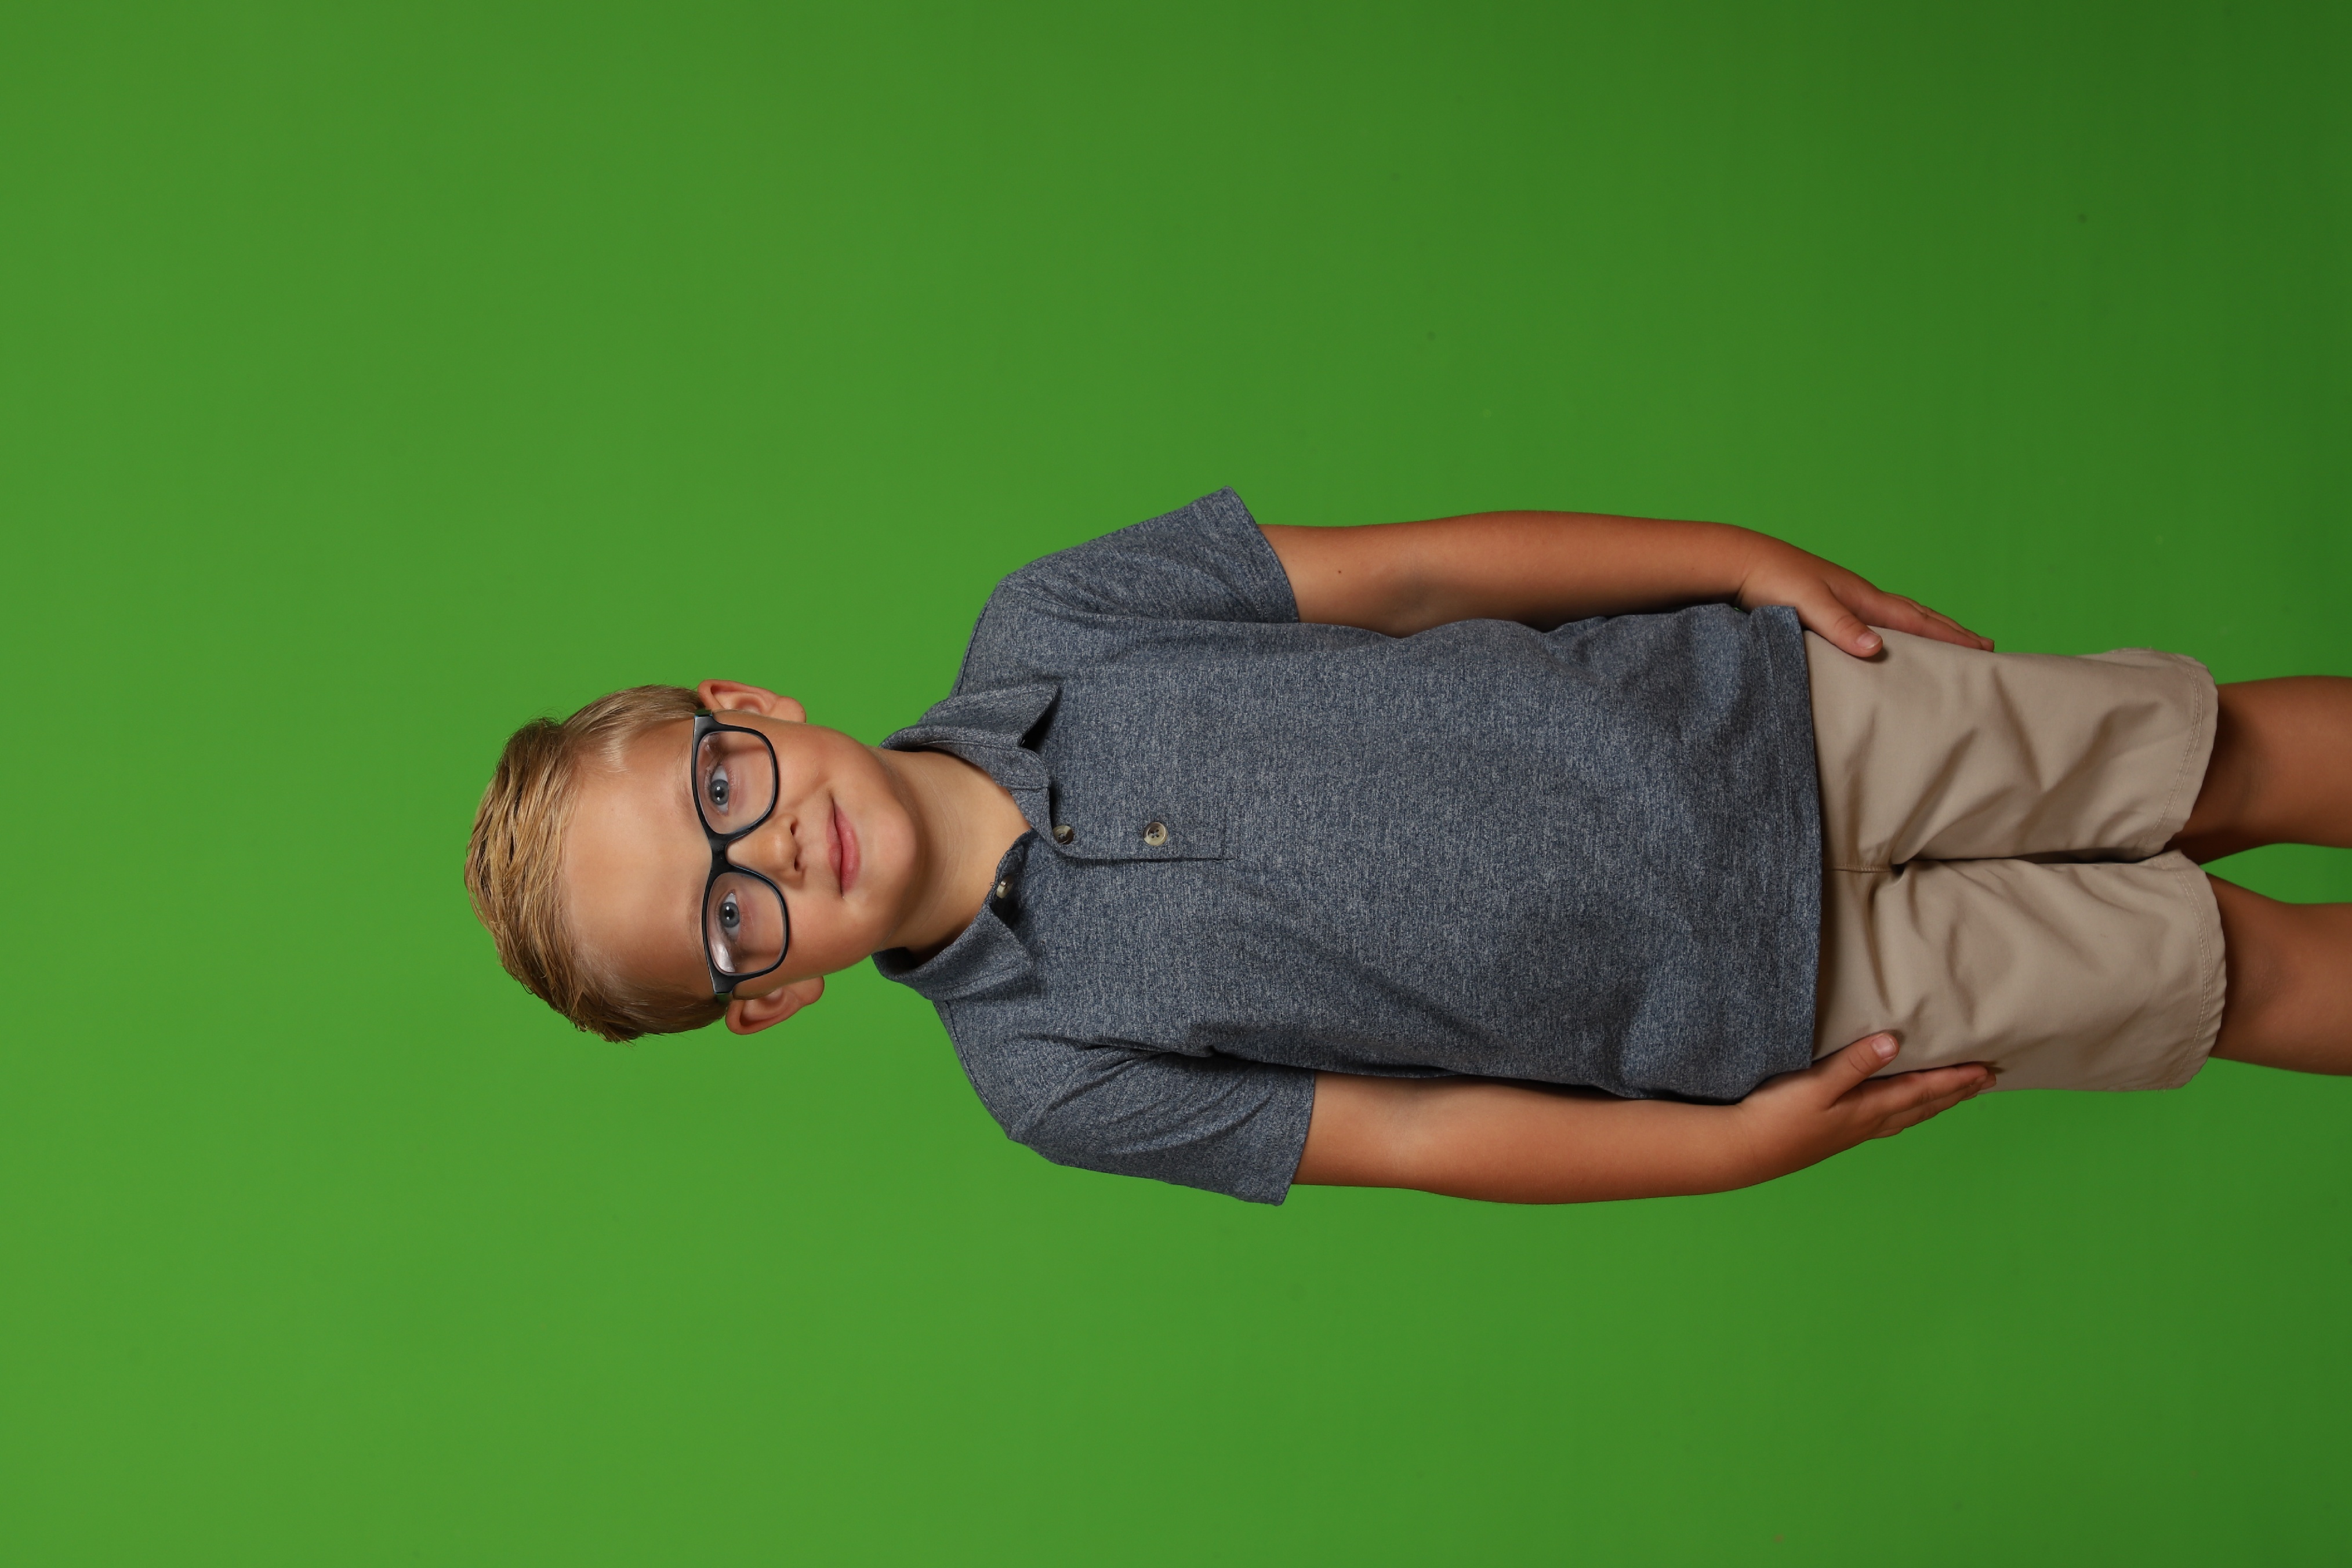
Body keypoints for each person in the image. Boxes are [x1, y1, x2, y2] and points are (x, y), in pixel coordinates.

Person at [465, 490, 2352, 1204]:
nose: (772, 854)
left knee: (2217, 758)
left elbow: (1425, 573)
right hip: (1778, 1001)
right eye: (729, 920)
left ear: (749, 706)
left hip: (1773, 718)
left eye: (719, 789)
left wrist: (1733, 561)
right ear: (770, 997)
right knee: (2232, 973)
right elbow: (1417, 1134)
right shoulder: (1046, 1073)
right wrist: (1722, 1153)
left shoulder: (1057, 617)